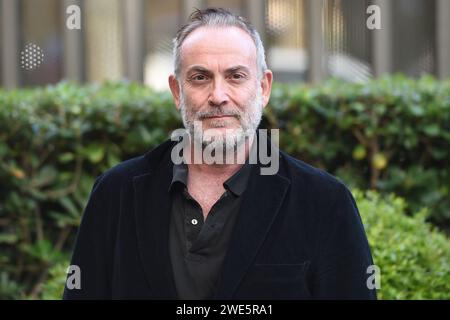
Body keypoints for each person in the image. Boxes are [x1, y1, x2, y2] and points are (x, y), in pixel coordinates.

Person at [63, 8, 376, 300]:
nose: (218, 96)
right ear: (177, 91)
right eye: (200, 78)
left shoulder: (324, 202)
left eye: (235, 76)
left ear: (264, 88)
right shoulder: (115, 195)